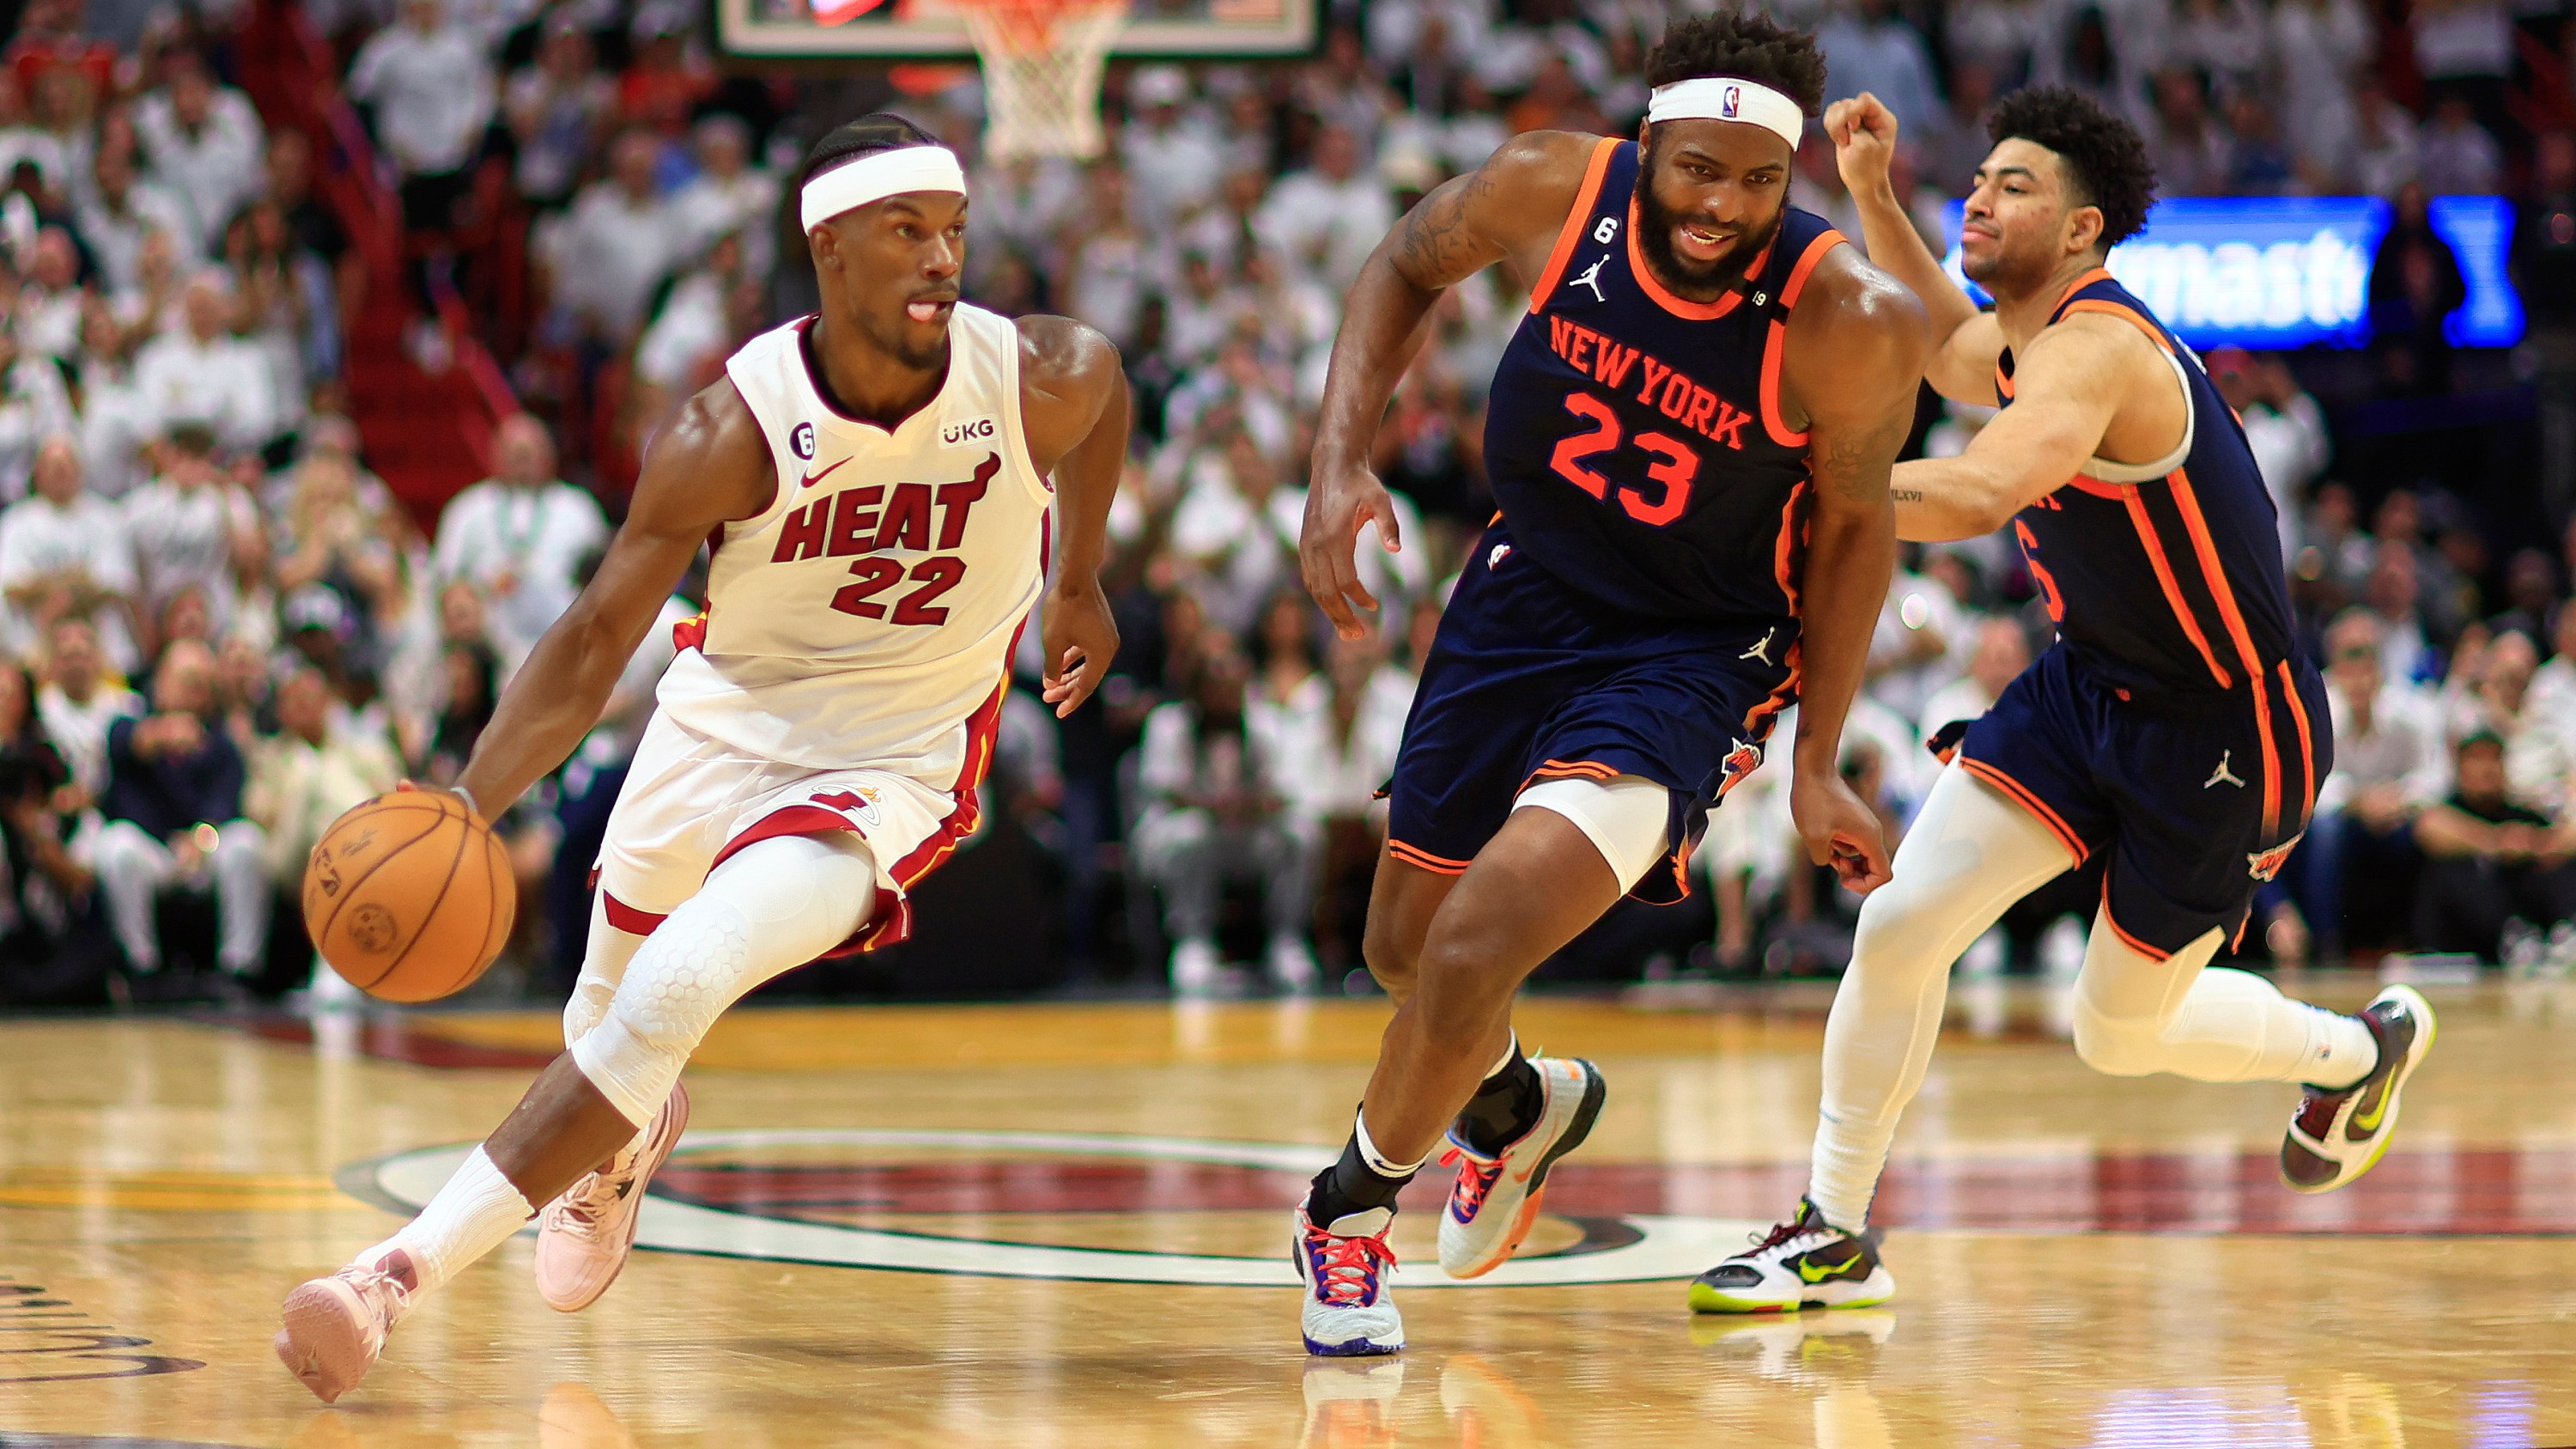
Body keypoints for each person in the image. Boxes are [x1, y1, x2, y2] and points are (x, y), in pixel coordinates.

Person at [273, 113, 1128, 1403]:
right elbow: (589, 639)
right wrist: (465, 802)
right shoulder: (729, 428)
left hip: (888, 763)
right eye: (906, 232)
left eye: (953, 232)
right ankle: (625, 1140)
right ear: (829, 247)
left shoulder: (1031, 377)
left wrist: (1081, 581)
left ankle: (387, 1277)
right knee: (604, 1016)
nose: (941, 259)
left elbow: (1107, 393)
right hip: (719, 722)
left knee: (679, 978)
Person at [1695, 86, 2436, 1316]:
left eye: (2015, 185)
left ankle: (2359, 1050)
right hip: (2088, 680)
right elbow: (1944, 349)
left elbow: (1985, 487)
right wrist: (1876, 193)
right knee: (1901, 924)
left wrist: (1786, 480)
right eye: (1977, 179)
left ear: (2084, 230)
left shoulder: (2099, 350)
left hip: (2224, 728)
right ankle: (1832, 1227)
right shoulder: (2029, 339)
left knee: (2116, 1031)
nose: (1981, 196)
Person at [1293, 13, 1928, 1356]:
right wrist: (1338, 459)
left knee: (1473, 941)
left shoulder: (1849, 320)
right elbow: (1403, 264)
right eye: (1698, 169)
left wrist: (1816, 758)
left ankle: (1347, 1217)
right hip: (1525, 590)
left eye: (1760, 180)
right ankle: (1517, 1107)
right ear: (1647, 142)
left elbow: (1861, 529)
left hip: (1697, 648)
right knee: (1403, 949)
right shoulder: (1550, 186)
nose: (1724, 207)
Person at [92, 638, 268, 984]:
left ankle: (240, 970)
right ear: (159, 683)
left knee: (247, 841)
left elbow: (225, 807)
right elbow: (130, 745)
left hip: (201, 854)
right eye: (186, 680)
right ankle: (140, 969)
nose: (195, 691)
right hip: (153, 852)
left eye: (202, 684)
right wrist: (162, 734)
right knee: (116, 845)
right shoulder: (125, 725)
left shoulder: (221, 745)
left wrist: (201, 839)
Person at [2414, 732, 2576, 967]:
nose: (2486, 769)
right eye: (2476, 760)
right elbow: (2427, 827)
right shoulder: (2449, 808)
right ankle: (2512, 939)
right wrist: (2497, 841)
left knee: (2557, 865)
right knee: (2456, 867)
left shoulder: (2521, 814)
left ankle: (2565, 933)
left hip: (2533, 931)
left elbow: (2561, 839)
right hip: (2464, 939)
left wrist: (2536, 844)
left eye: (2493, 759)